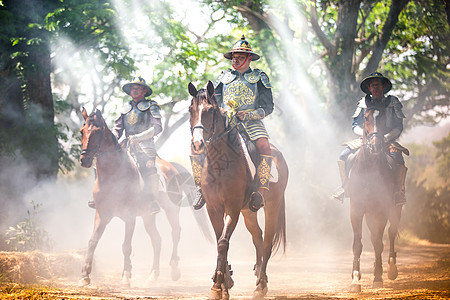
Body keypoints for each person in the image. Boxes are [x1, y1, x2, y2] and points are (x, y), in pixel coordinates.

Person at [190, 35, 274, 212]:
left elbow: (268, 107)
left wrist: (250, 114)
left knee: (264, 146)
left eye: (240, 57)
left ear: (249, 58)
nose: (235, 60)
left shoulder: (259, 77)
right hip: (225, 123)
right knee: (196, 146)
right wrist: (221, 112)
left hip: (252, 124)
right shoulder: (223, 77)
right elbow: (213, 101)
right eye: (234, 57)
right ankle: (200, 188)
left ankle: (260, 190)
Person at [88, 76, 162, 214]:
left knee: (147, 167)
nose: (134, 90)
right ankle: (100, 196)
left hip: (145, 147)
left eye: (137, 88)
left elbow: (157, 127)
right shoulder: (125, 109)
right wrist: (112, 138)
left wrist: (139, 137)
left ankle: (152, 201)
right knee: (100, 163)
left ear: (144, 90)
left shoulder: (152, 106)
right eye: (132, 88)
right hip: (126, 145)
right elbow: (117, 129)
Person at [331, 72, 408, 206]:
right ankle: (345, 187)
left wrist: (386, 137)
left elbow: (398, 126)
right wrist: (367, 136)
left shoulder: (393, 102)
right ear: (369, 87)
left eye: (378, 84)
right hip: (366, 139)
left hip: (387, 141)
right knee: (344, 155)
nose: (375, 87)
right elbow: (355, 125)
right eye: (373, 85)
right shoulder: (363, 103)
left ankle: (398, 192)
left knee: (398, 158)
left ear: (383, 86)